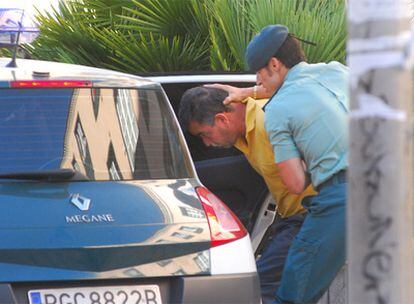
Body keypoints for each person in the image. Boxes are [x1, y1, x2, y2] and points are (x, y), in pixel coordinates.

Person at [209, 24, 349, 303]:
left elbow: (295, 184)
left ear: (274, 64)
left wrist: (316, 162)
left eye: (259, 74)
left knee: (292, 290)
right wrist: (249, 92)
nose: (258, 81)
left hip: (344, 197)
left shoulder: (277, 112)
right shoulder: (337, 71)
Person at [178, 86, 316, 304]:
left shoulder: (270, 122)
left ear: (222, 119)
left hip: (315, 215)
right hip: (293, 218)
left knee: (262, 287)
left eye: (205, 134)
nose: (206, 142)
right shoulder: (244, 131)